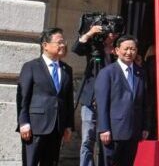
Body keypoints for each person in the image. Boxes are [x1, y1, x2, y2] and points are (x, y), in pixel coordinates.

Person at [17, 27, 74, 166]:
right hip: (35, 126)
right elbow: (23, 96)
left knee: (51, 162)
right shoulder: (31, 66)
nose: (63, 45)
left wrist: (68, 125)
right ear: (45, 45)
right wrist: (23, 123)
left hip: (57, 126)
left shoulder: (67, 69)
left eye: (63, 42)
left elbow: (68, 100)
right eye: (59, 42)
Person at [95, 35, 150, 166]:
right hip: (113, 131)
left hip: (134, 130)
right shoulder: (107, 72)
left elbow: (145, 103)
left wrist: (145, 126)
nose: (129, 52)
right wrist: (104, 128)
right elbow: (102, 103)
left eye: (133, 49)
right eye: (126, 49)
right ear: (117, 50)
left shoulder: (140, 73)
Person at [74, 23, 116, 166]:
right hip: (90, 100)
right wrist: (90, 33)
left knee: (106, 139)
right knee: (87, 139)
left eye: (113, 33)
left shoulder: (118, 52)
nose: (111, 35)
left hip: (110, 102)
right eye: (109, 32)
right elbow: (77, 48)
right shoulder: (94, 48)